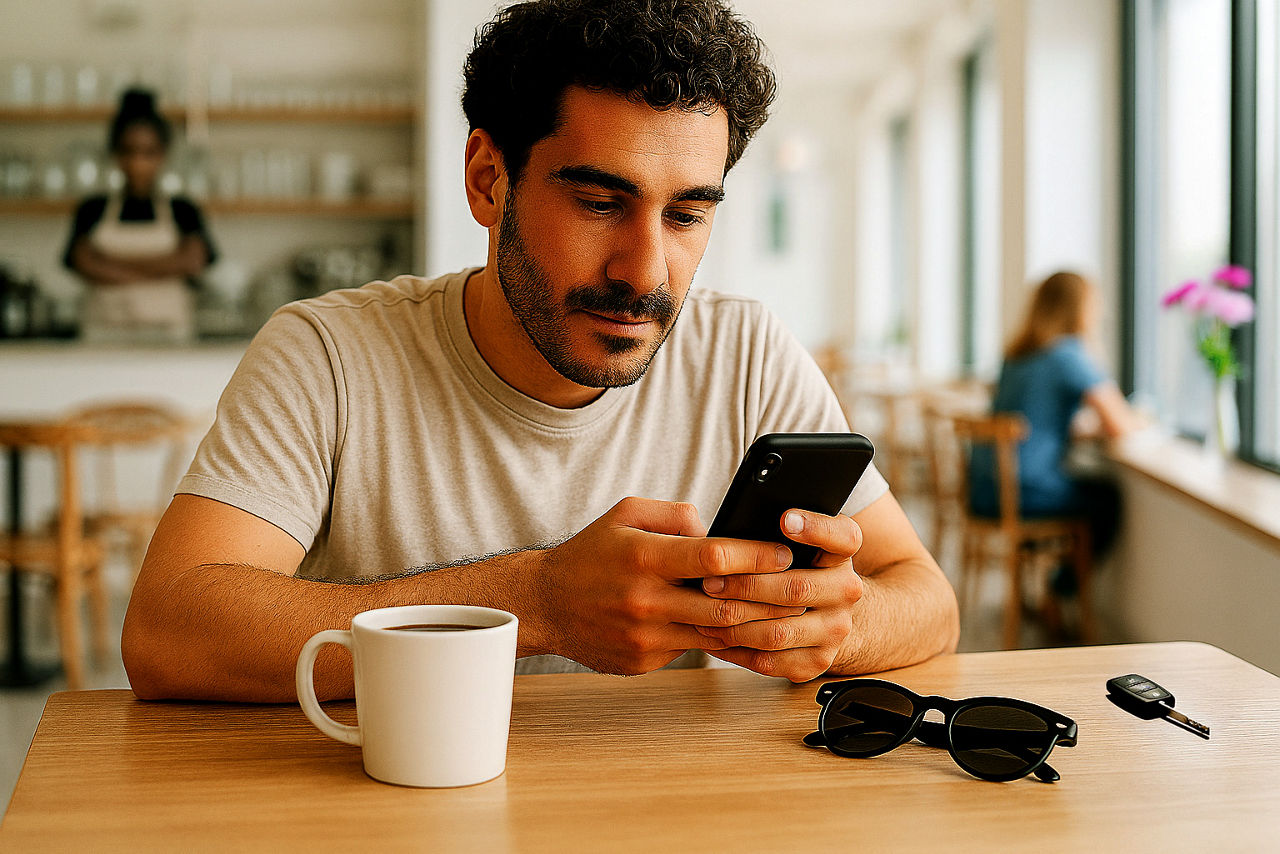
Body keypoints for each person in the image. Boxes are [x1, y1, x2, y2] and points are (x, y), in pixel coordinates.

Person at [122, 0, 959, 703]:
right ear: (490, 180)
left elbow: (926, 598)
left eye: (687, 215)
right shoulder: (328, 355)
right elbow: (168, 632)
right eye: (600, 202)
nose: (646, 273)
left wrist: (827, 625)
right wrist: (536, 602)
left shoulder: (745, 353)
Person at [969, 271, 1143, 590]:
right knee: (1107, 498)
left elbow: (1030, 421)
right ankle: (1061, 589)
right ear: (1080, 309)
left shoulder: (1016, 355)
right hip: (1026, 495)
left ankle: (1048, 588)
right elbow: (1120, 424)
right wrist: (1144, 418)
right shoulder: (1066, 354)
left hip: (983, 491)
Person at [64, 88, 216, 343]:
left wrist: (111, 267)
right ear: (115, 154)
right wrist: (165, 267)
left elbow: (193, 261)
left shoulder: (184, 209)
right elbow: (83, 262)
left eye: (148, 153)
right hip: (100, 341)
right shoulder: (92, 208)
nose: (137, 163)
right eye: (128, 152)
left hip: (172, 341)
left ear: (163, 155)